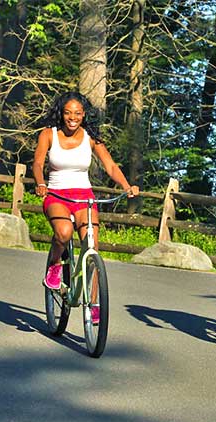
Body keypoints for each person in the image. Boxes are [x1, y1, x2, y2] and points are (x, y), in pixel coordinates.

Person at [32, 91, 139, 321]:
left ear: (83, 115)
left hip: (84, 197)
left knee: (92, 246)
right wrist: (40, 183)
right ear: (61, 113)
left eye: (77, 113)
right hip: (57, 194)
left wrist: (126, 185)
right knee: (63, 233)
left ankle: (94, 303)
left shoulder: (91, 137)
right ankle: (54, 266)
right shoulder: (48, 134)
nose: (72, 117)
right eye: (68, 113)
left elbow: (110, 165)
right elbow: (38, 162)